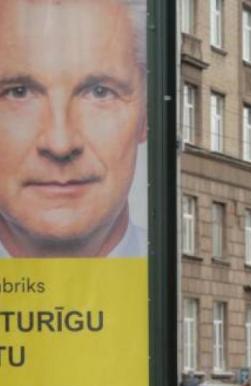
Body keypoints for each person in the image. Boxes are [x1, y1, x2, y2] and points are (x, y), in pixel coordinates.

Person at [0, 0, 147, 258]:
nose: (60, 143)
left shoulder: (168, 276)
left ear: (146, 116)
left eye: (99, 92)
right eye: (18, 92)